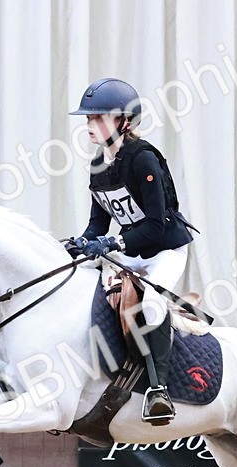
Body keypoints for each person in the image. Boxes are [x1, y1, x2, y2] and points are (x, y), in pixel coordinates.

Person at [65, 77, 195, 426]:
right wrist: (81, 243)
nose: (90, 125)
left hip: (165, 249)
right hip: (133, 250)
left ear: (123, 121)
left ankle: (158, 390)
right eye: (88, 119)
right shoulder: (97, 166)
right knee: (82, 279)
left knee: (151, 303)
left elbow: (156, 223)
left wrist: (115, 244)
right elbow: (98, 226)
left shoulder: (143, 160)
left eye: (98, 118)